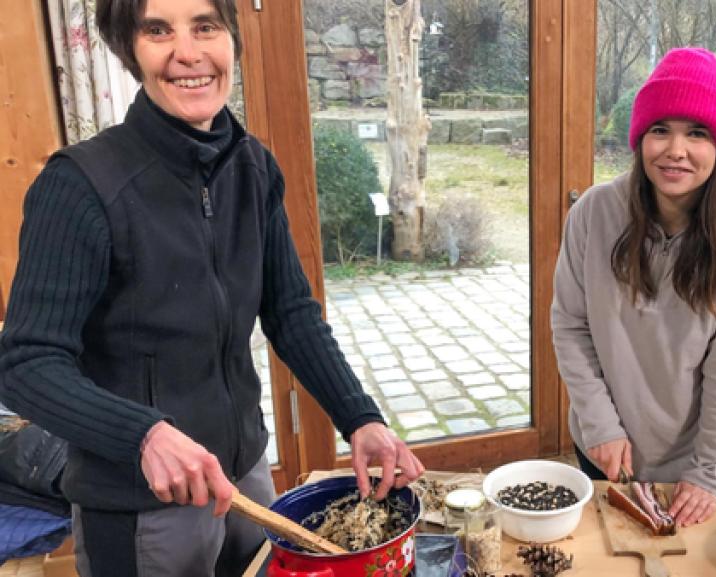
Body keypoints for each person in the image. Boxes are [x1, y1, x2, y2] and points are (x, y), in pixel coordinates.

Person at [0, 0, 424, 575]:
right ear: (130, 49)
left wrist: (359, 417)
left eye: (206, 27)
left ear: (231, 41)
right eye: (158, 31)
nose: (188, 53)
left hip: (246, 474)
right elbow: (26, 363)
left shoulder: (253, 167)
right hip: (139, 503)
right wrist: (143, 435)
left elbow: (292, 313)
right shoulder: (80, 185)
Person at [551, 47, 716, 529]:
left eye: (696, 133)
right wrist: (599, 425)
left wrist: (710, 471)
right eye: (661, 129)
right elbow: (571, 326)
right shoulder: (593, 215)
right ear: (640, 138)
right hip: (605, 440)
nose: (675, 150)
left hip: (699, 463)